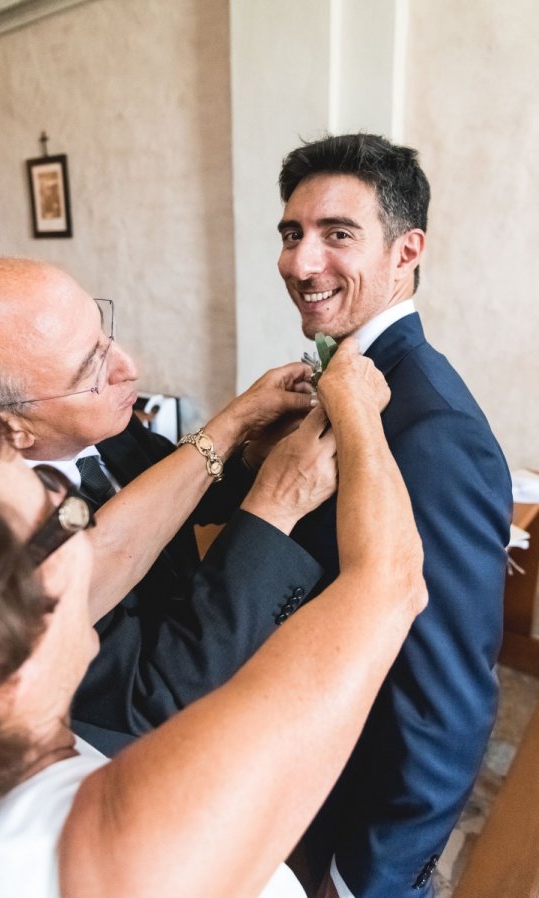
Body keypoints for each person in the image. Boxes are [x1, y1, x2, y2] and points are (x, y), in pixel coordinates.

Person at [0, 344, 427, 898]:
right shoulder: (131, 841)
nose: (83, 526)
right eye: (60, 518)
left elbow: (114, 546)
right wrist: (358, 414)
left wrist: (238, 426)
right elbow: (391, 580)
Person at [0, 257, 335, 756]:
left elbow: (183, 494)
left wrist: (252, 451)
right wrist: (276, 504)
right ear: (7, 429)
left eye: (103, 335)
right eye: (90, 369)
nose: (130, 368)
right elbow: (161, 693)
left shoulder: (106, 428)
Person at [275, 133, 513, 898]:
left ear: (407, 250)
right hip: (298, 791)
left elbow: (446, 697)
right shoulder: (340, 377)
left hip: (355, 845)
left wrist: (366, 879)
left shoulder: (431, 427)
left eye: (337, 235)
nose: (301, 263)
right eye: (291, 233)